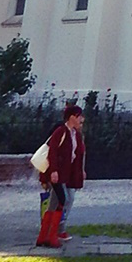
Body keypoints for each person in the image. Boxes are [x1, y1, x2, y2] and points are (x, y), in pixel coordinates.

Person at [35, 101, 86, 248]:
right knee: (60, 199)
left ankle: (45, 236)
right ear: (71, 117)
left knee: (55, 203)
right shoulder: (61, 132)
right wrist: (54, 171)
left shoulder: (74, 134)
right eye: (78, 116)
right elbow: (53, 152)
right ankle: (50, 235)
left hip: (64, 174)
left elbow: (76, 155)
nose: (80, 119)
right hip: (57, 174)